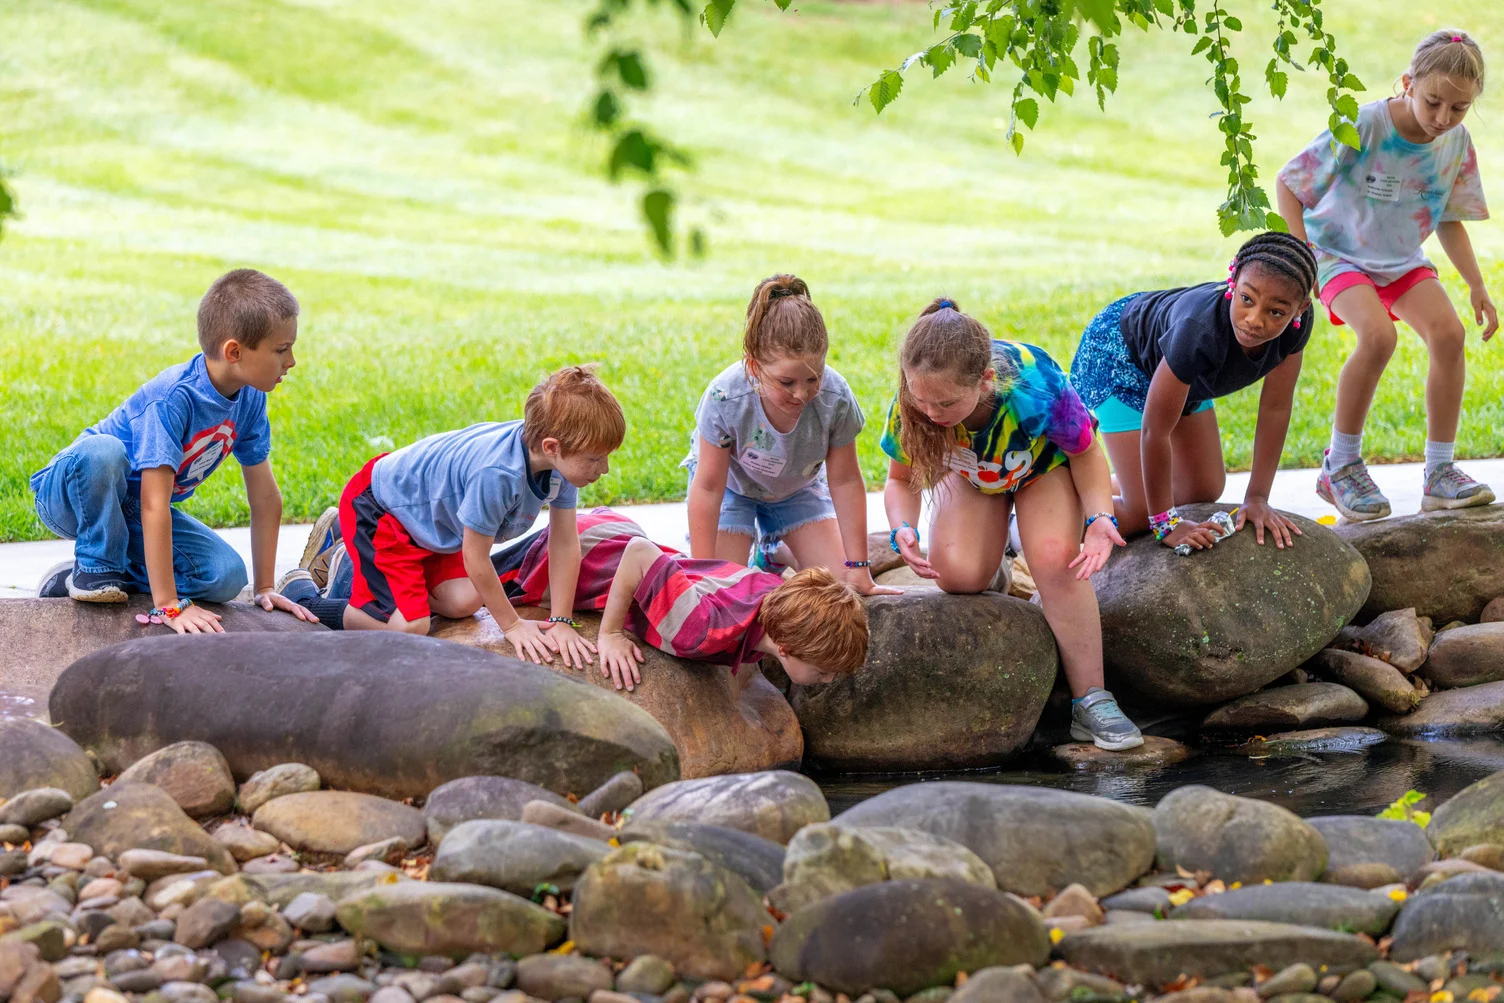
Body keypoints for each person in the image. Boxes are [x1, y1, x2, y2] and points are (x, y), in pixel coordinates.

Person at [881, 299, 1142, 751]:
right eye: (920, 399)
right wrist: (903, 526)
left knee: (1056, 561)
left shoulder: (1034, 385)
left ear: (985, 381)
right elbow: (899, 479)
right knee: (960, 576)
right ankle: (998, 552)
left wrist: (1100, 517)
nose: (930, 412)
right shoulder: (916, 402)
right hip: (971, 475)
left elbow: (1085, 452)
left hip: (1043, 470)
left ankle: (1092, 701)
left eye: (944, 402)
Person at [1277, 29, 1495, 521]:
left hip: (1400, 258)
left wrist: (1476, 285)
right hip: (1336, 254)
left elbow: (1449, 217)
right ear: (1407, 84)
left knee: (1449, 333)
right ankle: (1341, 466)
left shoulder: (1455, 143)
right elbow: (1290, 184)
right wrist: (1301, 255)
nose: (1443, 118)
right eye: (1434, 101)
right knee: (1377, 337)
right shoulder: (1365, 124)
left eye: (1458, 108)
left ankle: (1440, 473)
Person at [31, 269, 315, 634]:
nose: (291, 361)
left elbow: (265, 497)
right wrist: (168, 605)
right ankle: (96, 568)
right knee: (104, 451)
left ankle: (102, 575)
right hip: (75, 493)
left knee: (225, 576)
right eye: (281, 349)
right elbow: (155, 502)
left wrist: (263, 588)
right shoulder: (174, 398)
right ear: (234, 351)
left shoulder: (250, 398)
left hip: (132, 510)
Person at [279, 366, 624, 668]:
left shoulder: (558, 467)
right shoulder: (498, 474)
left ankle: (351, 556)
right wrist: (513, 626)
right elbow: (476, 557)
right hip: (381, 512)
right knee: (412, 627)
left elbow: (564, 542)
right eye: (595, 459)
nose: (603, 469)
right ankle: (305, 594)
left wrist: (561, 621)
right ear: (552, 447)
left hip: (430, 527)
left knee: (465, 601)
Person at [1069, 231, 1319, 549]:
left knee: (1202, 487)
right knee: (1143, 509)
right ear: (1233, 280)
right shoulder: (1198, 331)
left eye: (1276, 312)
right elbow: (1154, 432)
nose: (1255, 320)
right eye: (1247, 299)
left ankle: (1098, 489)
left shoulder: (1296, 328)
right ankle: (1029, 526)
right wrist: (1166, 524)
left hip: (1184, 372)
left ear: (1300, 309)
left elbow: (1276, 408)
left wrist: (1257, 497)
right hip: (1121, 355)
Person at [493, 508, 869, 693]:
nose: (830, 678)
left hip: (616, 530)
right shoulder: (704, 629)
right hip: (582, 556)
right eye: (822, 671)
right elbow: (639, 554)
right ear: (785, 648)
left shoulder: (774, 598)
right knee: (461, 593)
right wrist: (608, 633)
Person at [684, 274, 897, 596]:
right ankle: (763, 544)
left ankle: (773, 551)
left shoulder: (835, 398)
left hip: (797, 490)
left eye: (814, 378)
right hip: (732, 489)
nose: (802, 393)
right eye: (786, 383)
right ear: (754, 367)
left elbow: (845, 481)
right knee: (722, 591)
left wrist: (859, 568)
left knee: (840, 589)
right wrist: (701, 572)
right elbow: (709, 487)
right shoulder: (725, 398)